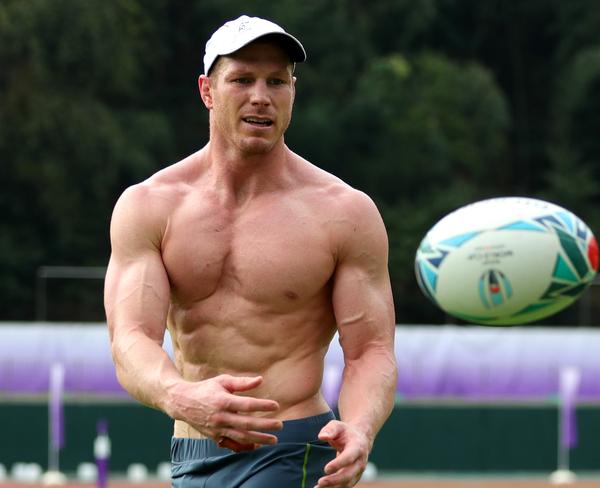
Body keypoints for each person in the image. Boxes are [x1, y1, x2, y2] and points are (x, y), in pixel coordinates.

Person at [104, 14, 396, 488]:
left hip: (294, 451)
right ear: (207, 91)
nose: (261, 96)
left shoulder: (344, 212)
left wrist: (361, 426)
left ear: (293, 94)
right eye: (242, 79)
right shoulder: (150, 206)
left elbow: (371, 350)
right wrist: (180, 396)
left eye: (277, 81)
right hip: (190, 452)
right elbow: (131, 338)